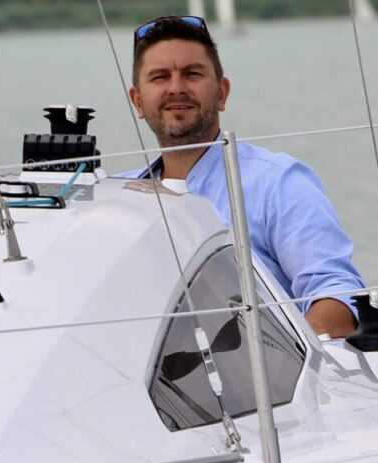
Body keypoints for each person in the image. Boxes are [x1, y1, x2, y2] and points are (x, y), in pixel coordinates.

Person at [125, 14, 364, 339]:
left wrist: (279, 362)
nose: (176, 88)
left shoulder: (278, 183)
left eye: (192, 74)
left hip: (261, 369)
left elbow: (338, 297)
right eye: (160, 77)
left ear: (222, 93)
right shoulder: (120, 198)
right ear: (137, 101)